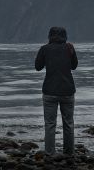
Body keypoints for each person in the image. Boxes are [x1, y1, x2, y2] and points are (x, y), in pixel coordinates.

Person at [34, 26, 78, 155]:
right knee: (69, 123)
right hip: (67, 91)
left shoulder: (45, 49)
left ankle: (49, 153)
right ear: (65, 36)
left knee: (50, 124)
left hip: (49, 91)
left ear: (50, 36)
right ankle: (69, 153)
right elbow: (74, 66)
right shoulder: (69, 48)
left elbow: (38, 67)